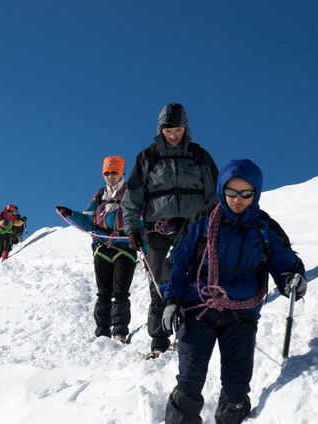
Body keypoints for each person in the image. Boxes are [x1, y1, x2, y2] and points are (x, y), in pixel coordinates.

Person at [160, 159, 307, 424]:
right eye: (231, 192)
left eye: (245, 194)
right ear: (221, 190)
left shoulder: (264, 228)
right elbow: (176, 264)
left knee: (237, 391)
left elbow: (287, 265)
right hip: (198, 310)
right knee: (189, 385)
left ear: (256, 193)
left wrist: (291, 282)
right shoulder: (203, 221)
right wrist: (171, 300)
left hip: (241, 316)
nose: (237, 200)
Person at [121, 102, 219, 358]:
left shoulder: (200, 156)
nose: (173, 135)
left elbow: (214, 196)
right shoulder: (147, 157)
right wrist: (132, 229)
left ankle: (193, 334)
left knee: (194, 278)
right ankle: (159, 340)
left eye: (177, 130)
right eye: (168, 131)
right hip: (157, 231)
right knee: (159, 284)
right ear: (160, 130)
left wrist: (213, 226)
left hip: (193, 229)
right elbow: (132, 197)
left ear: (186, 129)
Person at [57, 156, 137, 342]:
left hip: (125, 248)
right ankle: (102, 332)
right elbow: (87, 221)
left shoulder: (133, 194)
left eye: (114, 172)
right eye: (107, 173)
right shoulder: (100, 196)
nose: (110, 176)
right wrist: (70, 214)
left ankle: (120, 332)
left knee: (121, 292)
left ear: (122, 172)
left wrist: (145, 245)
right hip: (102, 248)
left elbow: (141, 221)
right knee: (103, 293)